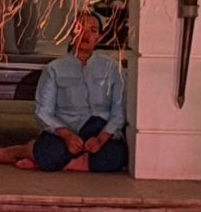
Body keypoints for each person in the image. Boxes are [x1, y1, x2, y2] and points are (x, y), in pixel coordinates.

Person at [29, 9, 128, 173]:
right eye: (80, 29)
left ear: (100, 37)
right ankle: (81, 162)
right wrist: (67, 135)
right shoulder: (54, 69)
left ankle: (57, 161)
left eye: (93, 31)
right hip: (66, 132)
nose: (86, 35)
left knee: (117, 155)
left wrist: (101, 139)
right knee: (46, 152)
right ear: (71, 33)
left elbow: (119, 112)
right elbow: (43, 112)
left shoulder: (112, 69)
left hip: (99, 132)